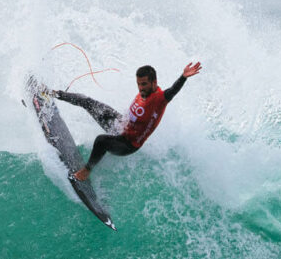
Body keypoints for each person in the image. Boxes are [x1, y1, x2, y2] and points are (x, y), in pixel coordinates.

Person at [53, 61, 202, 181]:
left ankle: (86, 171)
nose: (140, 88)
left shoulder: (159, 99)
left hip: (128, 144)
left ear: (154, 82)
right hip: (121, 126)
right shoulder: (143, 93)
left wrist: (183, 77)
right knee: (89, 102)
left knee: (101, 141)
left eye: (144, 84)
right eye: (138, 84)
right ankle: (54, 93)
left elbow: (172, 91)